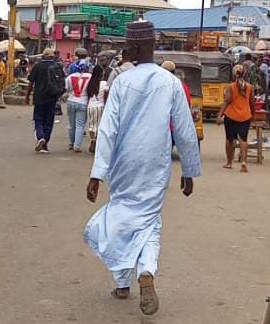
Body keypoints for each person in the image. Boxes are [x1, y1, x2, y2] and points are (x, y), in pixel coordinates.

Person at [84, 20, 201, 316]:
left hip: (124, 164)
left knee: (121, 218)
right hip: (156, 164)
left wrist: (97, 173)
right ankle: (146, 270)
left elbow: (108, 129)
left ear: (135, 49)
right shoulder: (170, 82)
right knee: (149, 221)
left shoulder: (122, 82)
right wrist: (188, 170)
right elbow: (185, 130)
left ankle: (122, 283)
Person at [26, 47, 64, 153]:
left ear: (43, 56)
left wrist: (27, 95)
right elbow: (62, 82)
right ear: (53, 56)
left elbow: (31, 82)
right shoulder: (57, 66)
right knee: (49, 121)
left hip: (39, 98)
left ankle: (41, 137)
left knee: (38, 119)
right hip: (52, 98)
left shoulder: (38, 66)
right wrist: (59, 94)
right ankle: (45, 144)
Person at [218, 64, 255, 173]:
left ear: (234, 75)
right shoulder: (250, 87)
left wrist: (220, 115)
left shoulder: (230, 86)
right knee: (243, 139)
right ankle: (244, 162)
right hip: (245, 116)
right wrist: (253, 114)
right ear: (245, 74)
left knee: (230, 140)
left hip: (231, 116)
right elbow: (252, 102)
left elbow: (227, 101)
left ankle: (229, 162)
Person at [65, 62, 93, 152]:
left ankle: (71, 143)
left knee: (71, 125)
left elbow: (67, 89)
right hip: (83, 102)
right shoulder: (90, 77)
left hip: (71, 101)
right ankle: (77, 146)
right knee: (80, 125)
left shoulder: (70, 77)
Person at [86, 55, 109, 152]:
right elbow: (106, 94)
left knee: (91, 125)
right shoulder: (104, 84)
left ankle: (92, 139)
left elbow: (88, 95)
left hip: (90, 106)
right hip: (100, 106)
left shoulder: (90, 83)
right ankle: (96, 141)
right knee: (99, 125)